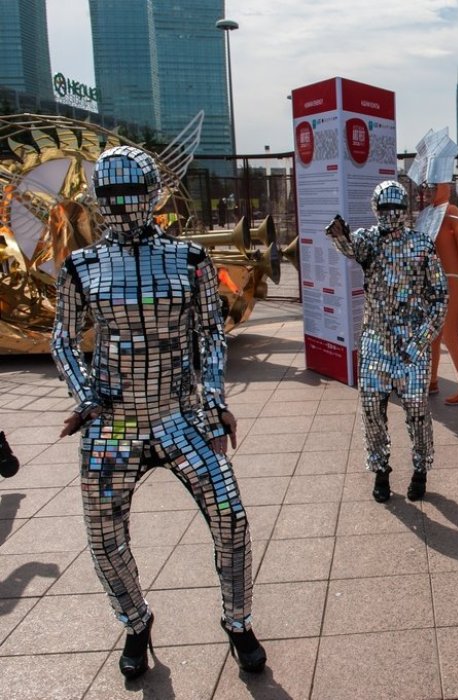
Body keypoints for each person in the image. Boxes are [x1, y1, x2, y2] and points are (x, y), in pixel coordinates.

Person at [51, 146, 266, 680]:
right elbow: (63, 336)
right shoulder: (81, 266)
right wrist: (84, 394)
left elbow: (211, 335)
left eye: (132, 194)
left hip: (180, 415)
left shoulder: (191, 260)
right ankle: (135, 622)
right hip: (115, 420)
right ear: (99, 202)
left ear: (153, 197)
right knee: (103, 536)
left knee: (232, 519)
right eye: (111, 196)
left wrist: (214, 401)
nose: (122, 205)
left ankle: (238, 622)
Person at [326, 181, 448, 503]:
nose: (390, 214)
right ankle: (381, 470)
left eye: (396, 208)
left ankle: (421, 468)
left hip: (412, 346)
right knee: (370, 408)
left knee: (418, 409)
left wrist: (421, 340)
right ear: (375, 210)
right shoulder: (369, 241)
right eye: (384, 208)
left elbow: (439, 298)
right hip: (375, 342)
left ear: (404, 210)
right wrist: (339, 237)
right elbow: (352, 249)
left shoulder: (422, 245)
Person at [426, 182, 458, 406]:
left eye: (433, 187)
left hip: (455, 281)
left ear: (444, 187)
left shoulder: (451, 212)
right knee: (434, 336)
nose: (428, 191)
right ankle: (431, 381)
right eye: (426, 187)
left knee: (449, 335)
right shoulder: (428, 214)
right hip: (436, 282)